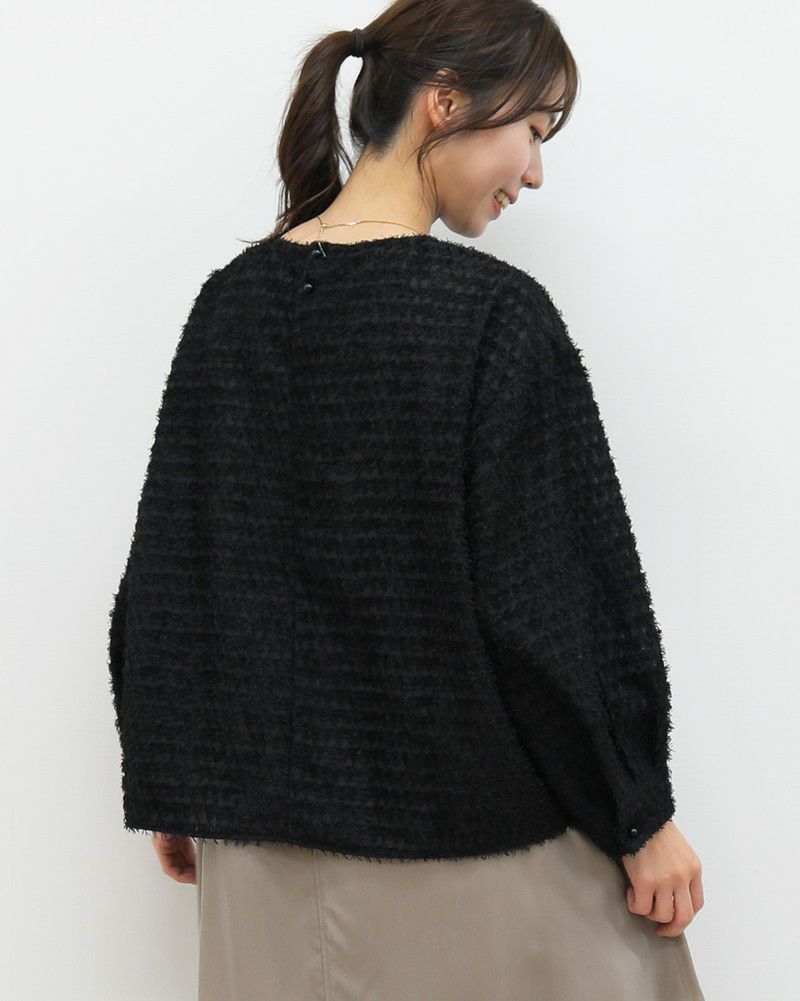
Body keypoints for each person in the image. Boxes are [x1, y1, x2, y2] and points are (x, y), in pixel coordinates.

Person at [111, 2, 706, 998]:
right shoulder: (489, 316)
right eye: (533, 129)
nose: (534, 171)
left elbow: (176, 570)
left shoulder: (231, 303)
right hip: (464, 847)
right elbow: (556, 601)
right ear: (445, 103)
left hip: (258, 857)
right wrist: (638, 810)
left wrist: (179, 775)